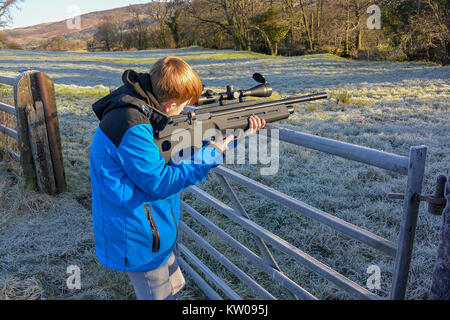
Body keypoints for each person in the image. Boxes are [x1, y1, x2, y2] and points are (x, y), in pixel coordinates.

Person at [89, 56, 266, 300]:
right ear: (170, 104)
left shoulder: (146, 107)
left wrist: (233, 134)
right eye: (184, 106)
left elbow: (177, 148)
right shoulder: (131, 123)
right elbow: (160, 182)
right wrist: (212, 154)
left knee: (176, 285)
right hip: (138, 234)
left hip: (151, 227)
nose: (186, 111)